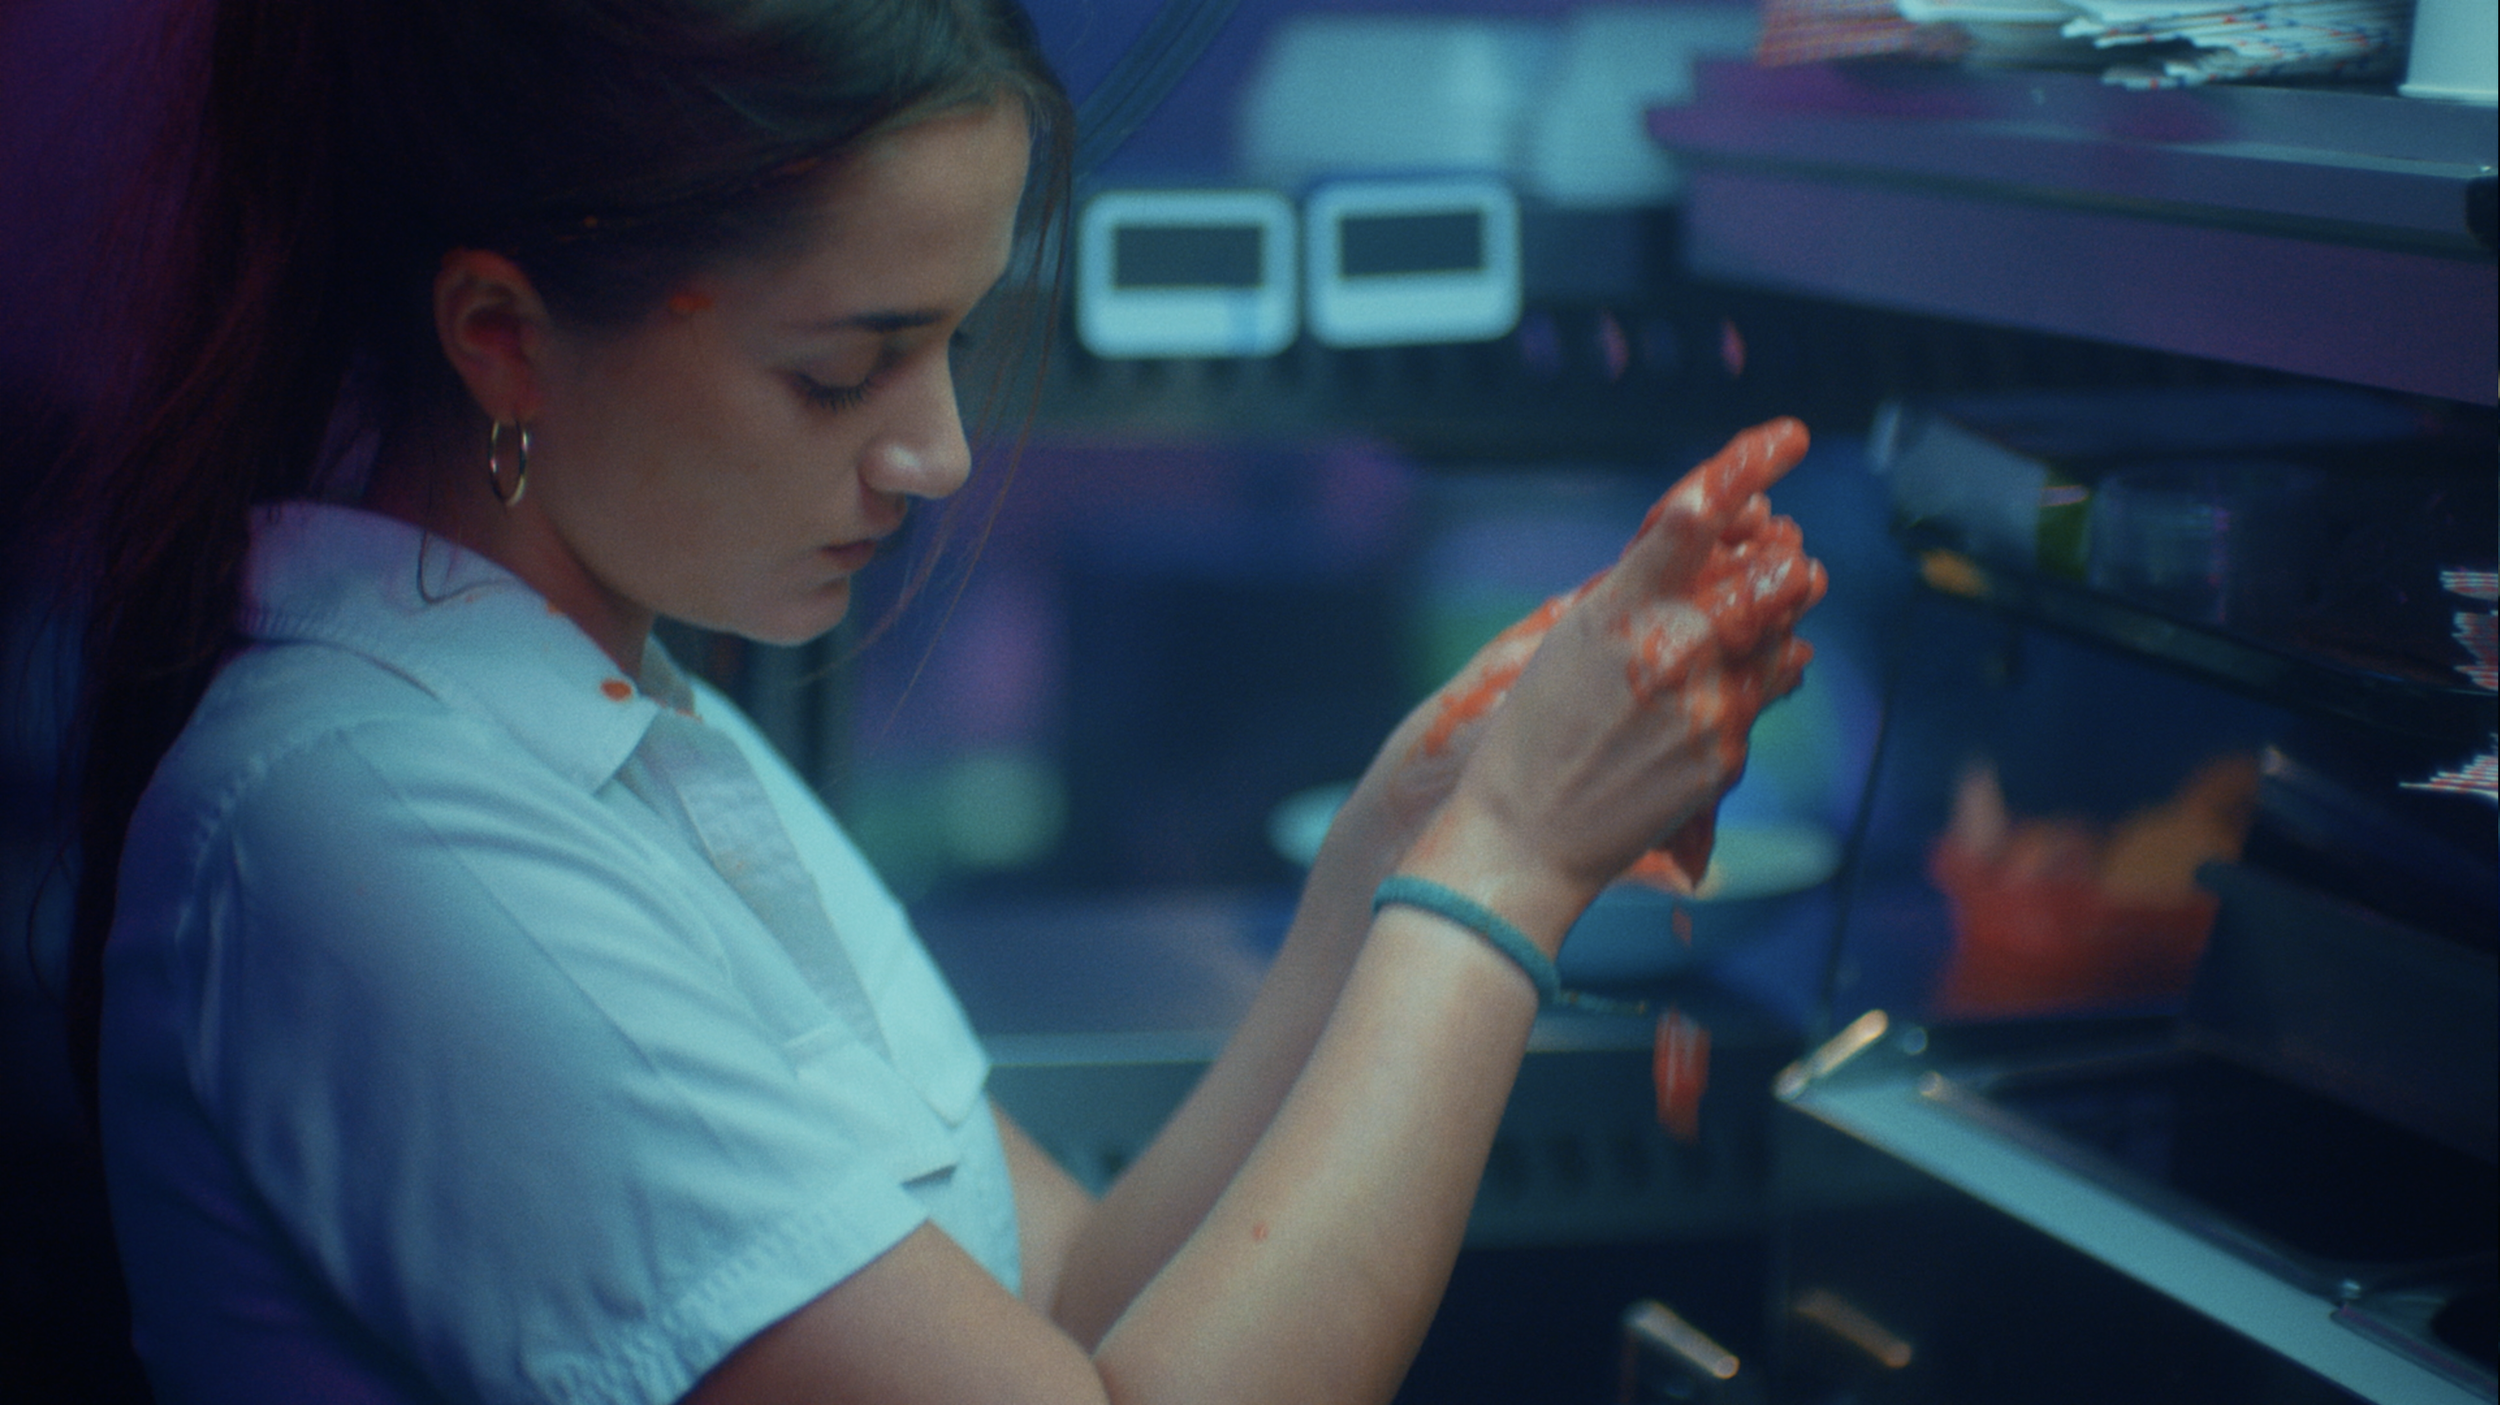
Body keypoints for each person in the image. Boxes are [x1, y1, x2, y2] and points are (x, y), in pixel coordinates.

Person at [50, 2, 1827, 1402]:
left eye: (952, 344)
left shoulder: (640, 731)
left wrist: (1391, 854)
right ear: (504, 337)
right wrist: (1502, 871)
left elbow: (1069, 1297)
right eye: (847, 370)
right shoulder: (364, 830)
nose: (939, 453)